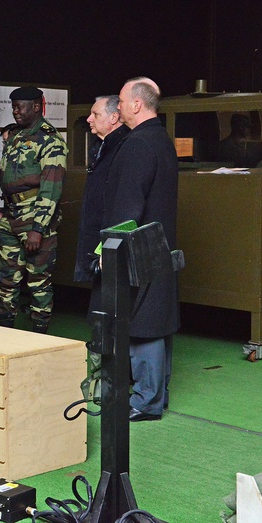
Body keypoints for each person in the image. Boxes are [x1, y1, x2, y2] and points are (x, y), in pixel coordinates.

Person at [102, 77, 178, 422]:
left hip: (137, 247)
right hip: (159, 242)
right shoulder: (161, 138)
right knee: (156, 318)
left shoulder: (137, 144)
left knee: (142, 323)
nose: (117, 107)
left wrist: (111, 247)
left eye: (120, 101)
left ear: (136, 104)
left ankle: (146, 400)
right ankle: (154, 396)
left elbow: (128, 203)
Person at [0, 86, 68, 333]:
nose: (15, 111)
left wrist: (38, 228)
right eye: (13, 107)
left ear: (36, 107)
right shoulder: (16, 135)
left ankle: (40, 335)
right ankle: (4, 330)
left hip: (35, 217)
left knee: (38, 281)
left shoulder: (50, 140)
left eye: (20, 107)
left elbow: (52, 189)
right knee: (6, 279)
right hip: (11, 216)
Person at [74, 95, 129, 285]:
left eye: (95, 114)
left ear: (114, 118)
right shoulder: (100, 147)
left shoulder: (125, 148)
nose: (89, 119)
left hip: (113, 237)